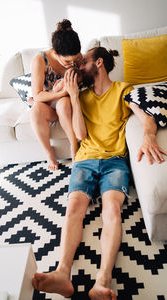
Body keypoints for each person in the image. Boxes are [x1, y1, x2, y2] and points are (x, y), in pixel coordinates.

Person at [32, 46, 167, 299]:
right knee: (73, 209)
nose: (78, 68)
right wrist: (72, 95)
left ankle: (103, 281)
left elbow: (146, 115)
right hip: (84, 160)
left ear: (100, 63)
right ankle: (62, 273)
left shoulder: (123, 90)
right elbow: (81, 135)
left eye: (83, 63)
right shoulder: (81, 95)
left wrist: (148, 136)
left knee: (112, 211)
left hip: (115, 161)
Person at [30, 19, 83, 171]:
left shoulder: (77, 57)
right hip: (47, 102)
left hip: (66, 103)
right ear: (55, 52)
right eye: (67, 61)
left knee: (64, 103)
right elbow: (38, 95)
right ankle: (49, 153)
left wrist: (74, 80)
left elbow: (83, 78)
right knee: (35, 110)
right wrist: (60, 92)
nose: (72, 63)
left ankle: (74, 146)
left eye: (75, 59)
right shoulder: (41, 60)